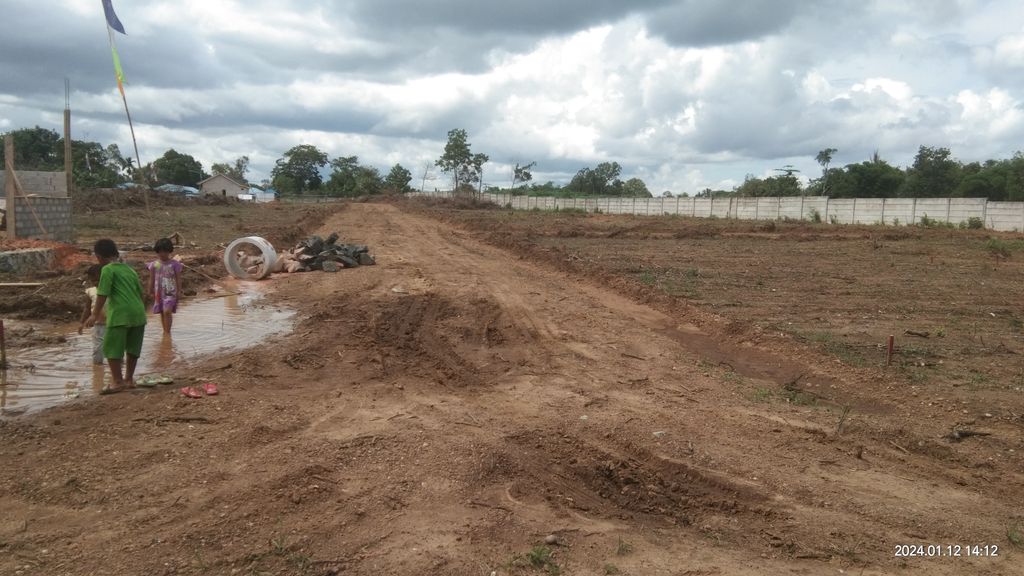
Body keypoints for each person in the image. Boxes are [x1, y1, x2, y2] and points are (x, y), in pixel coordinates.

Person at [87, 239, 147, 394]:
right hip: (139, 313)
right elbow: (141, 292)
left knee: (112, 347)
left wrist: (94, 314)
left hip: (120, 313)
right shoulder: (130, 270)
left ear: (99, 256)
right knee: (133, 347)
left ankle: (118, 381)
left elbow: (102, 293)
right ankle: (129, 379)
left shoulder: (107, 270)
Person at [146, 237, 183, 334]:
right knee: (162, 312)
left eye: (165, 252)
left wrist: (179, 291)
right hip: (159, 292)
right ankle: (165, 332)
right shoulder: (154, 265)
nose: (162, 254)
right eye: (160, 252)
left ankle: (167, 333)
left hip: (170, 292)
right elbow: (152, 278)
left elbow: (178, 278)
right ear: (157, 252)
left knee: (167, 312)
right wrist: (150, 291)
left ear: (169, 251)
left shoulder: (174, 264)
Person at [77, 264, 107, 365]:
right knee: (98, 349)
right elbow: (87, 308)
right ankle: (97, 368)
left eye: (98, 280)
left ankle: (119, 367)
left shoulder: (113, 290)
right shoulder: (91, 291)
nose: (95, 283)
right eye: (93, 280)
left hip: (114, 323)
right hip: (98, 324)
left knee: (117, 348)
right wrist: (81, 323)